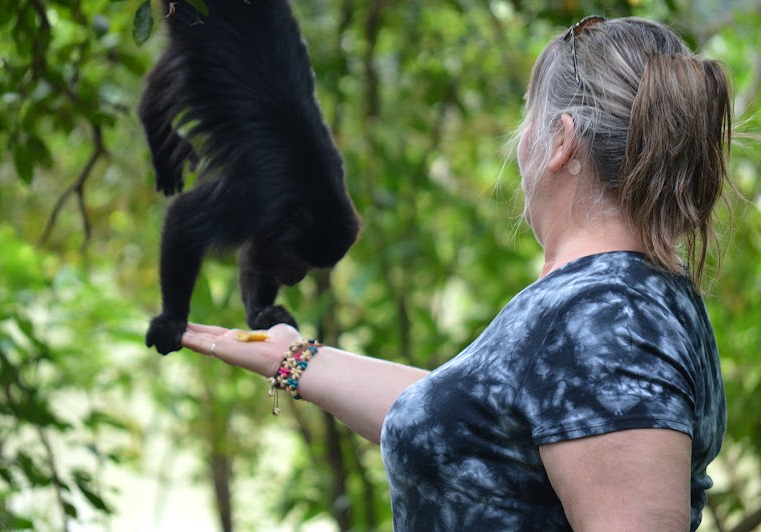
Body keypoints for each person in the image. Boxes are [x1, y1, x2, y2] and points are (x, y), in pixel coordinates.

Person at [182, 16, 732, 531]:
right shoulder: (606, 303)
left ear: (561, 141)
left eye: (528, 117)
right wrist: (295, 359)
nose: (521, 143)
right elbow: (471, 422)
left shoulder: (606, 320)